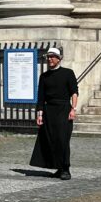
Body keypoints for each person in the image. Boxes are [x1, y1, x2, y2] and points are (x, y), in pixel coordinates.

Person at [30, 47, 78, 180]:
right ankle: (58, 167)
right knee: (50, 139)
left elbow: (74, 92)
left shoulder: (68, 73)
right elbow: (41, 97)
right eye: (48, 57)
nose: (50, 59)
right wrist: (39, 115)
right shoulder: (44, 76)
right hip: (48, 111)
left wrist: (73, 109)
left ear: (59, 58)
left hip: (64, 109)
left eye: (52, 56)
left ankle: (66, 168)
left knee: (63, 139)